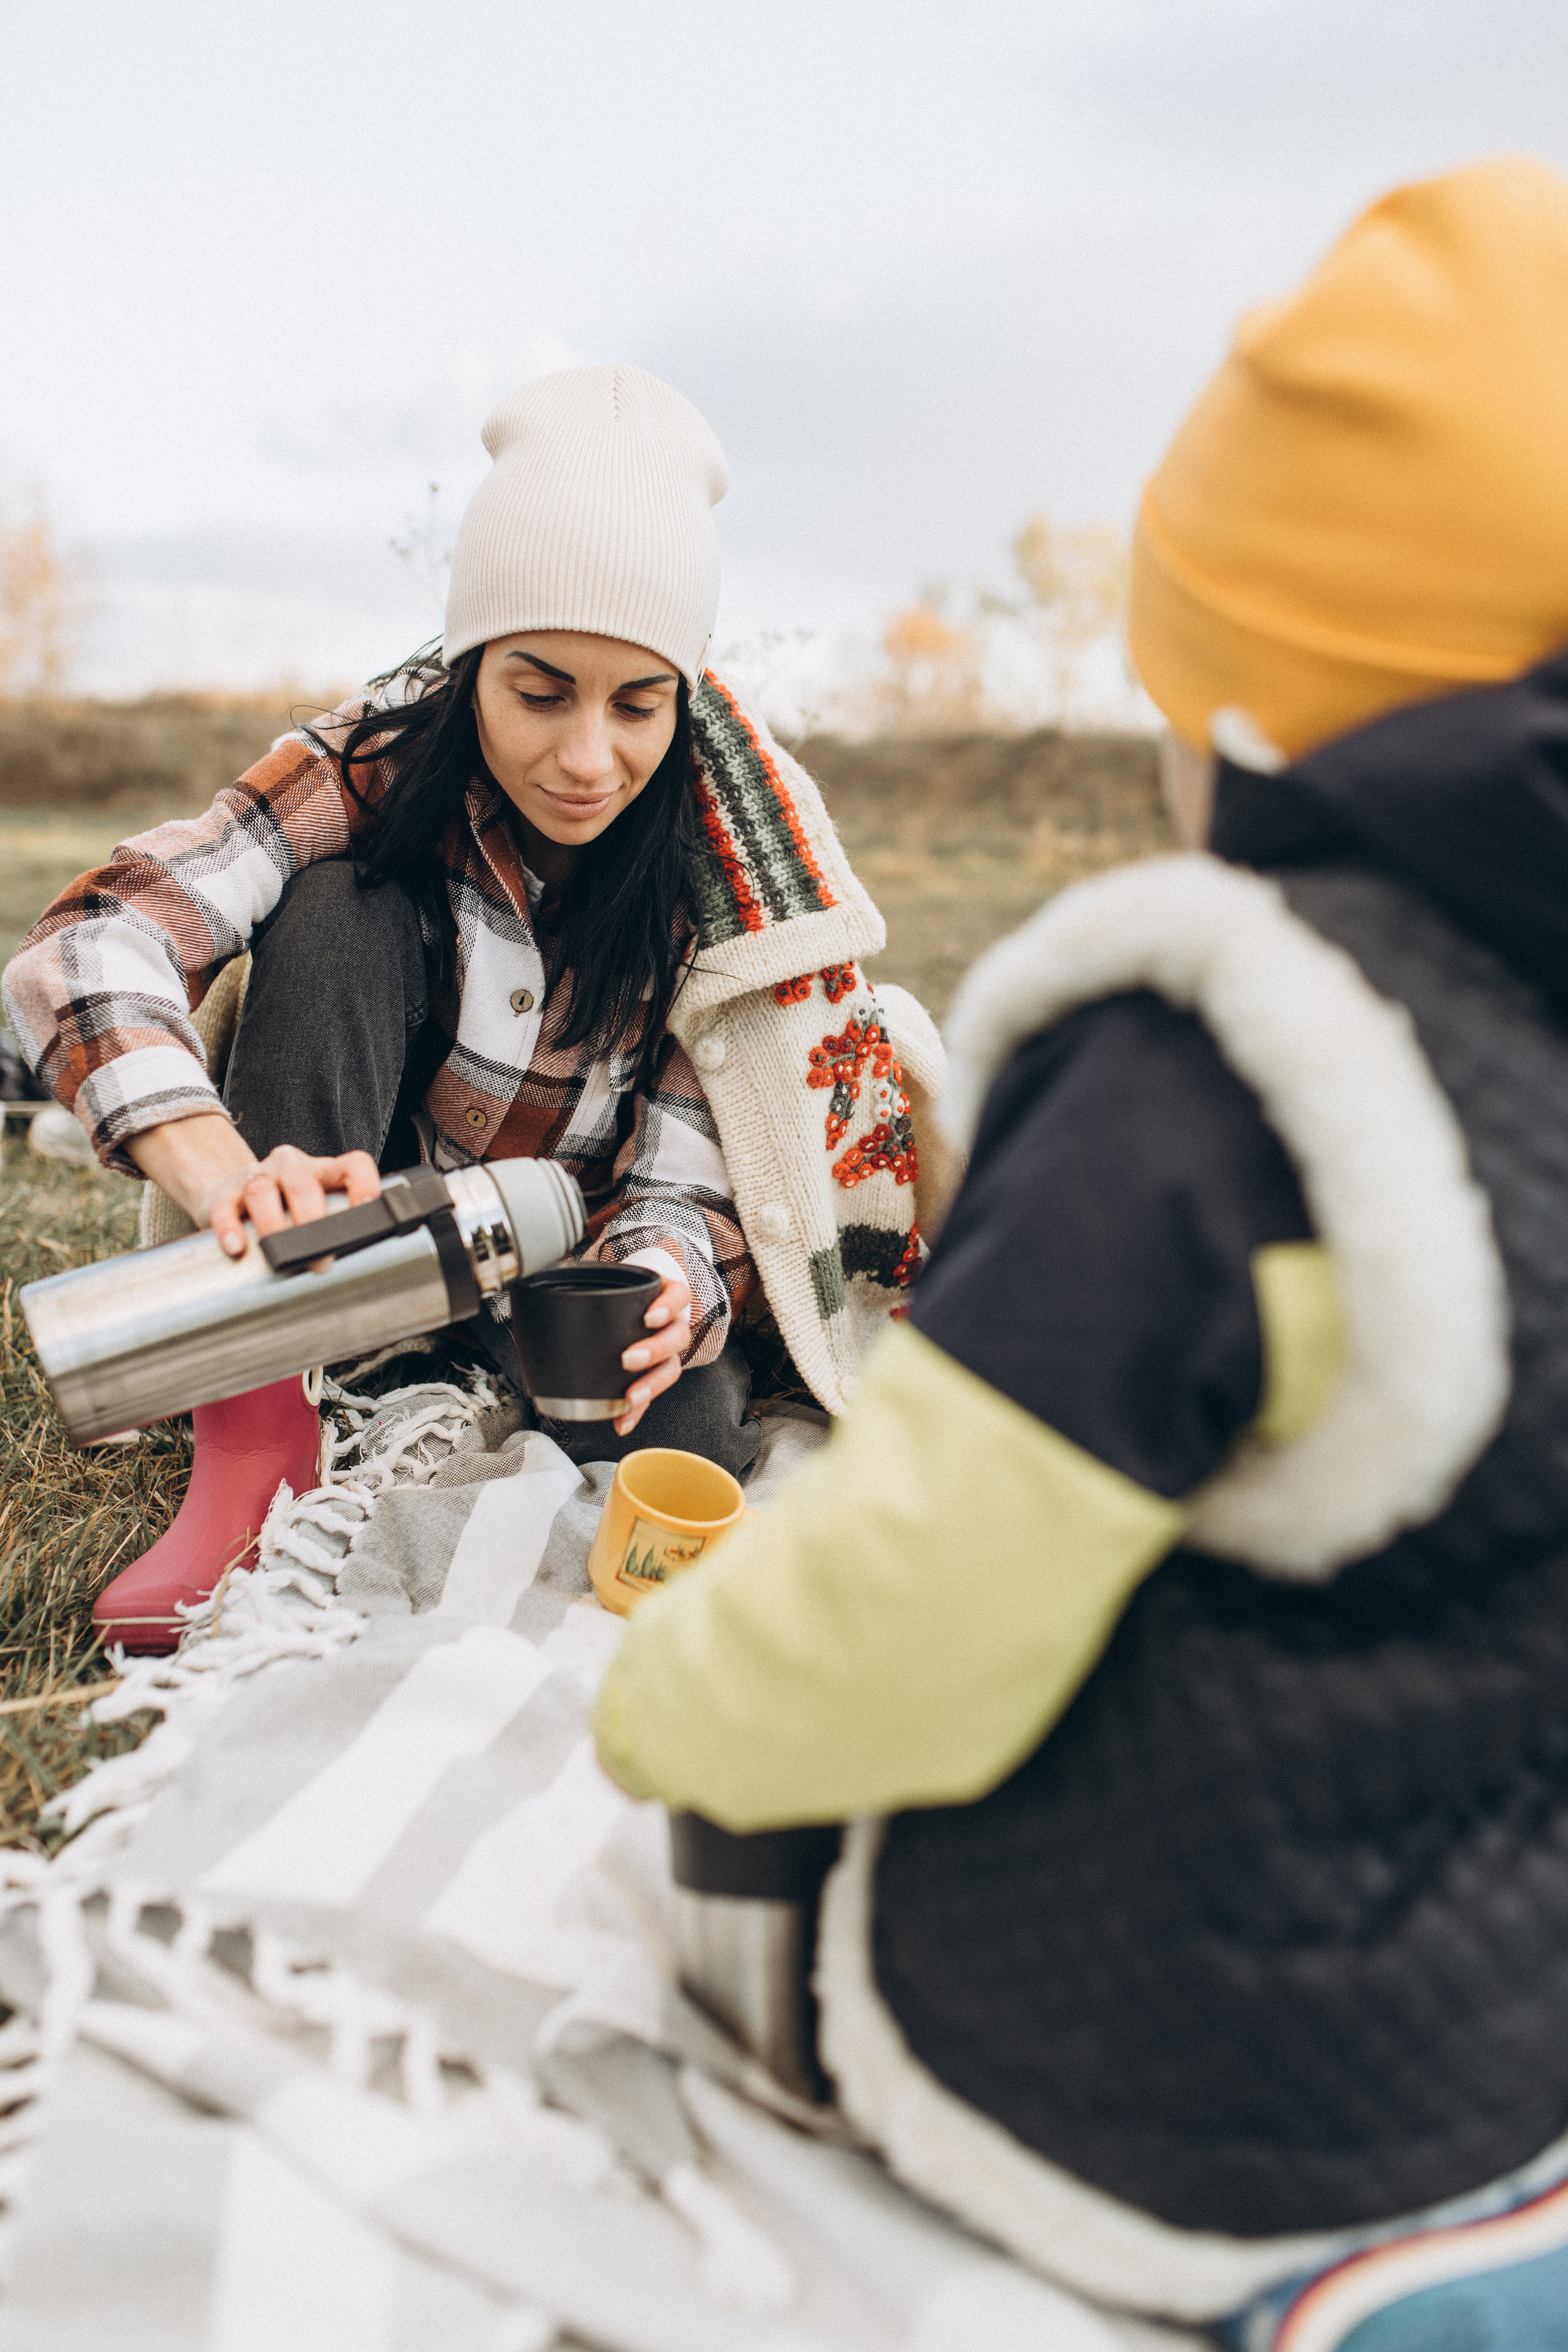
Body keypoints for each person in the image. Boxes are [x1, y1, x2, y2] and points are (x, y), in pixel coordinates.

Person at [590, 163, 1568, 2344]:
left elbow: (917, 1602)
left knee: (708, 1826)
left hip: (1161, 2079)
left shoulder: (1223, 1075)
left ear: (1248, 714)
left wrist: (666, 1705)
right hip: (1502, 2030)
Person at [4, 364, 947, 1653]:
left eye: (636, 704)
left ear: (683, 695)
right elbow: (96, 936)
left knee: (685, 1454)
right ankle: (259, 1419)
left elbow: (717, 1159)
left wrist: (668, 1274)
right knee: (335, 904)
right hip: (360, 1231)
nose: (585, 759)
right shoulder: (377, 760)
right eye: (540, 690)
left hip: (582, 1261)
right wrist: (220, 1167)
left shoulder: (730, 863)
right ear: (473, 665)